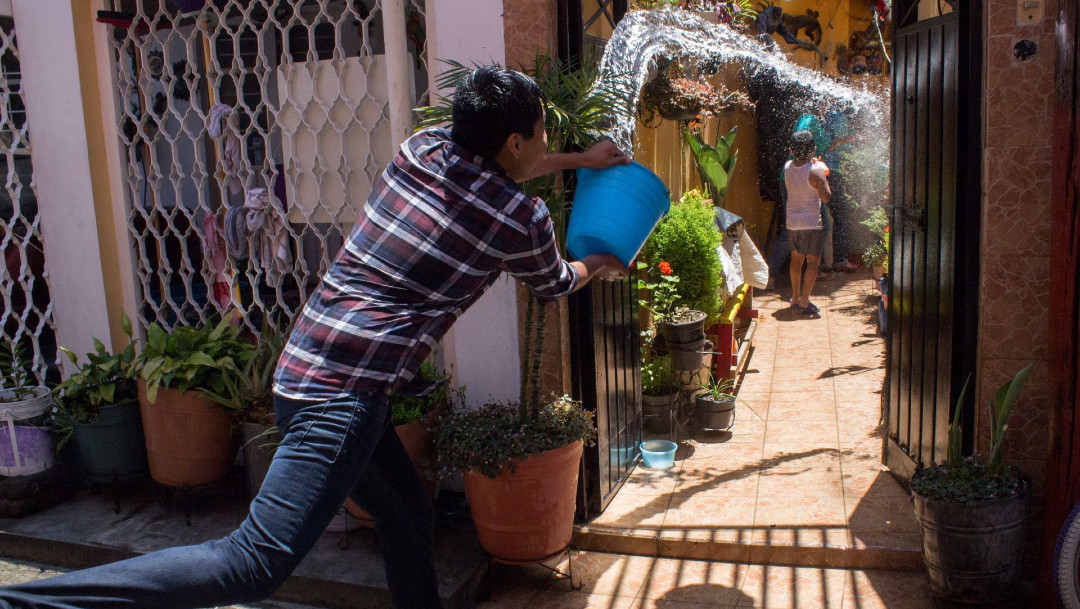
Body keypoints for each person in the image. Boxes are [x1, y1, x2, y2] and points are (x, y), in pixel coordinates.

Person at [0, 66, 630, 609]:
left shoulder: (425, 148)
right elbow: (554, 281)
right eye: (544, 134)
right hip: (342, 400)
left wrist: (579, 160)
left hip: (305, 367)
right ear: (516, 140)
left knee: (408, 516)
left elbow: (508, 163)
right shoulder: (521, 217)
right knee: (252, 562)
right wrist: (602, 261)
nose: (547, 143)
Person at [784, 129, 831, 315]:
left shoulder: (787, 167)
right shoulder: (816, 170)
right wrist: (824, 176)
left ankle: (794, 298)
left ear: (791, 149)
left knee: (796, 260)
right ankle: (805, 302)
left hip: (792, 222)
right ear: (813, 150)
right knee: (812, 263)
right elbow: (826, 197)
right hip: (812, 223)